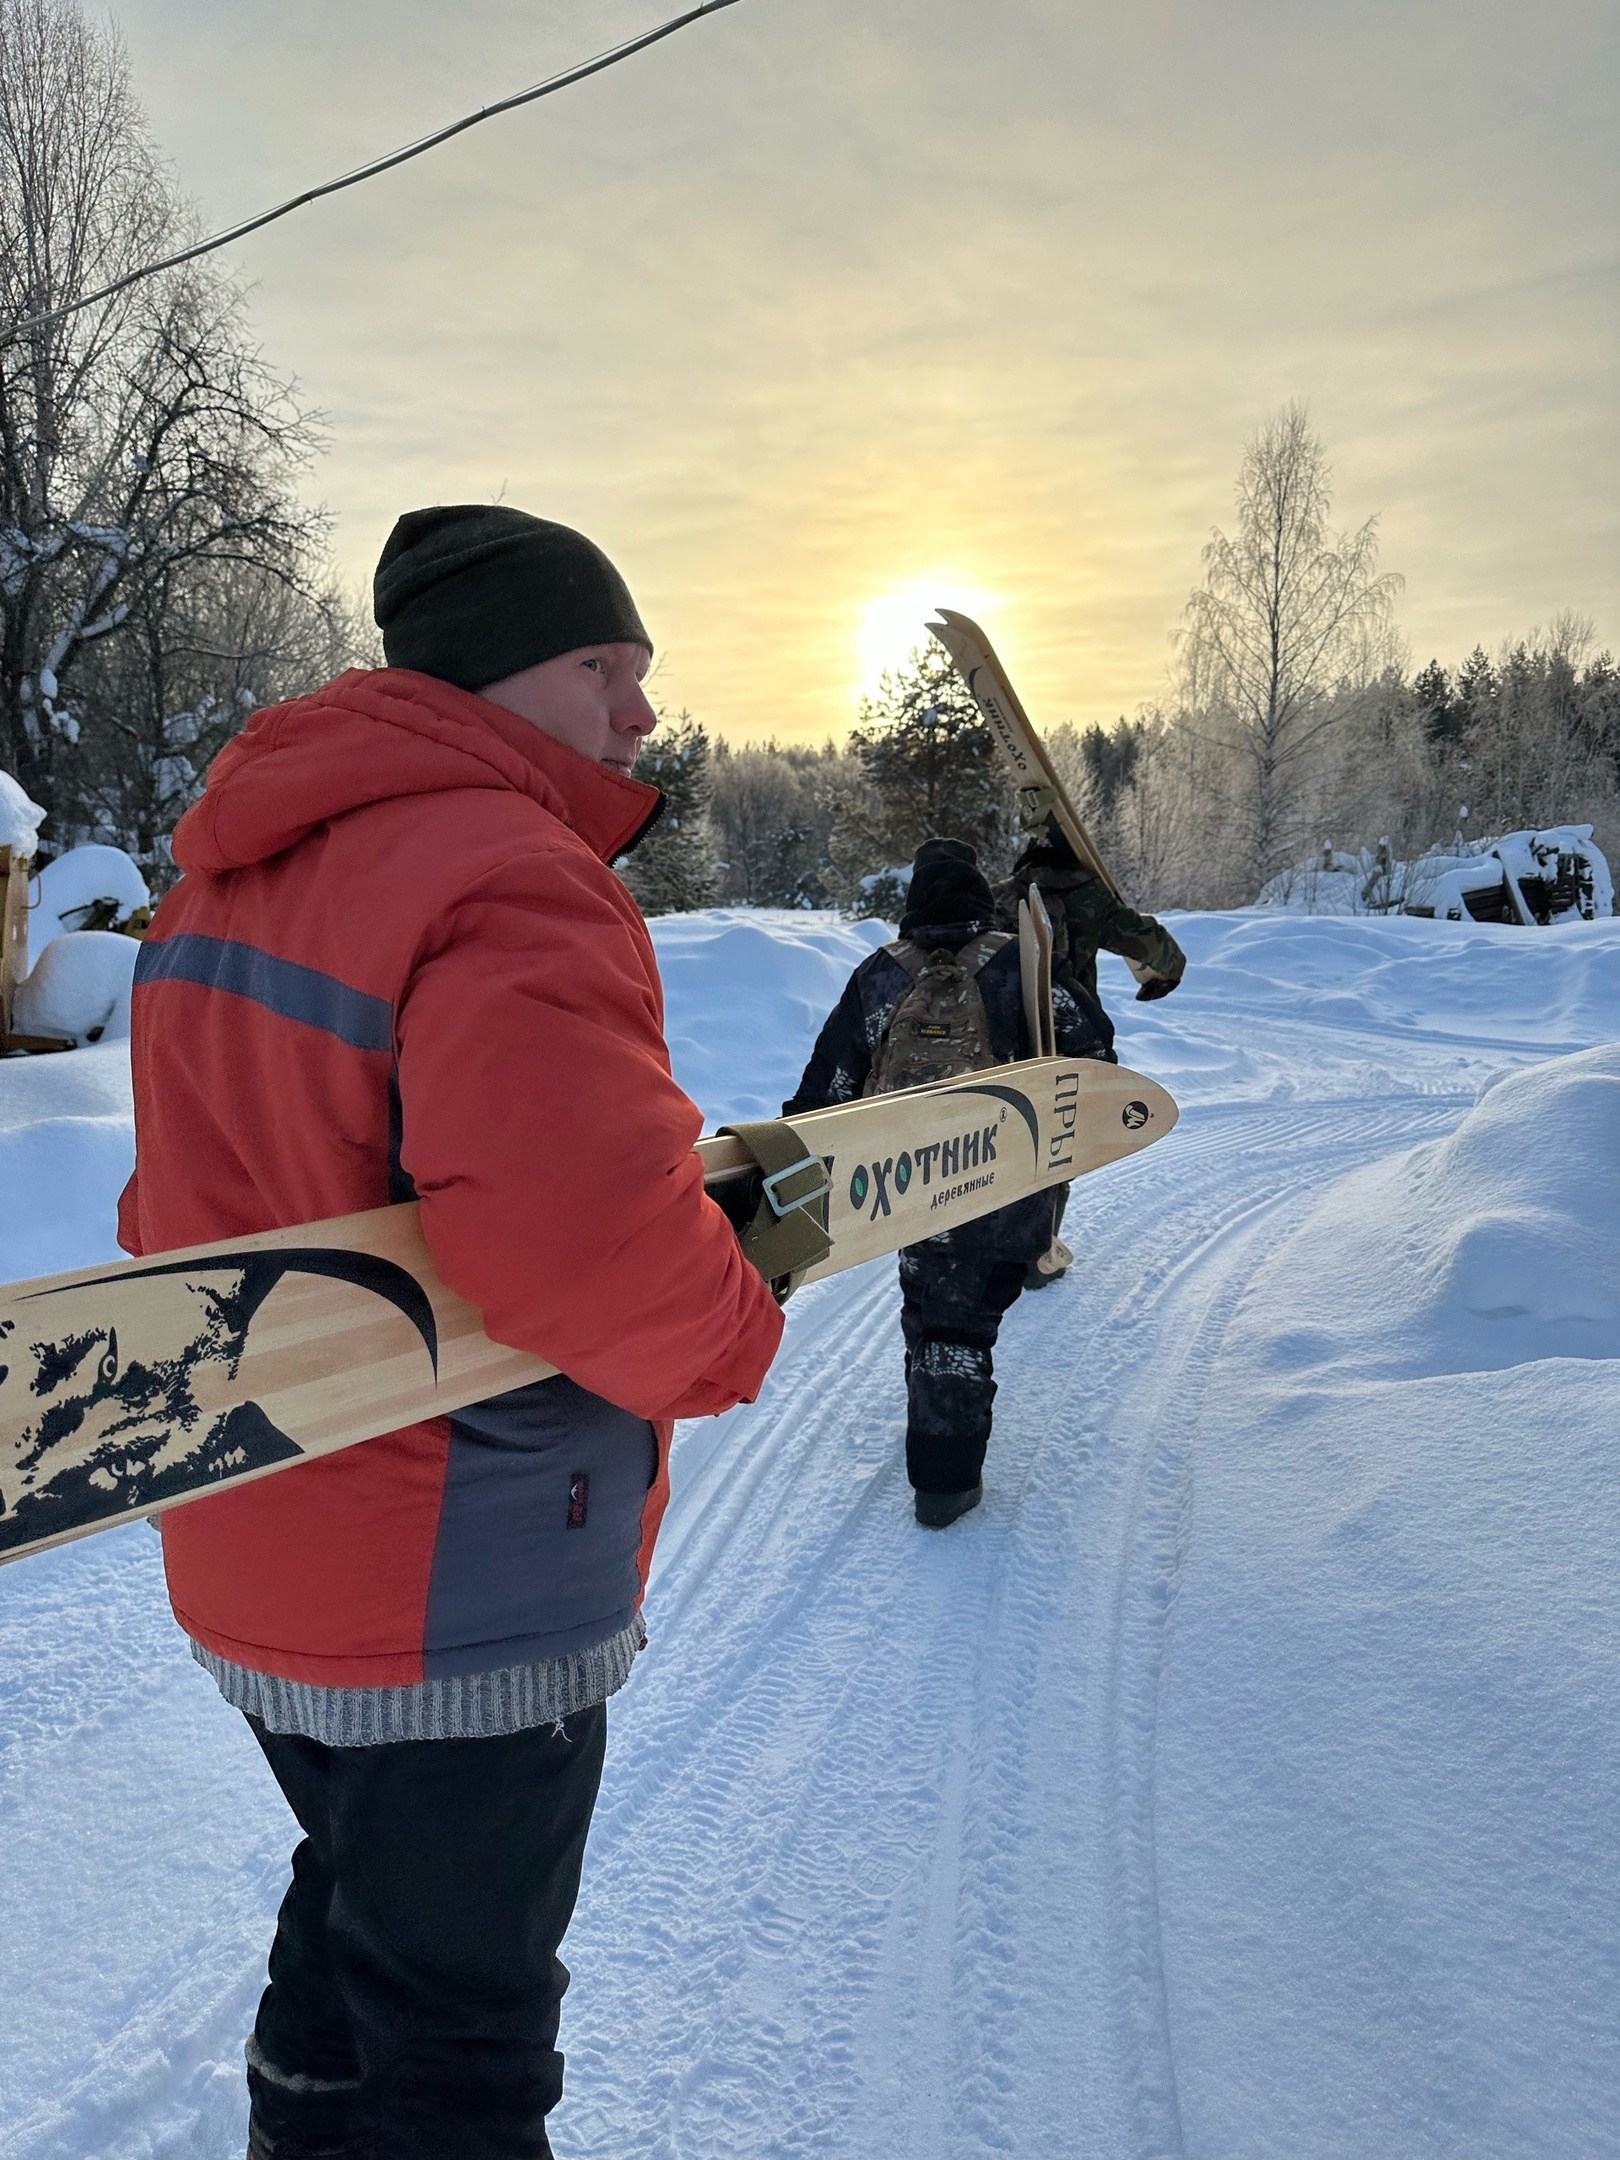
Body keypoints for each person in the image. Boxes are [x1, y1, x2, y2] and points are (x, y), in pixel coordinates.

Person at [117, 505, 787, 2159]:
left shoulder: (225, 875)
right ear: (494, 679)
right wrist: (737, 1328)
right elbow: (585, 1249)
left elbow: (172, 1217)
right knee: (465, 2044)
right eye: (601, 667)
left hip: (253, 1540)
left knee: (358, 1900)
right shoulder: (505, 873)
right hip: (460, 1582)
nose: (638, 713)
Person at [784, 838, 1113, 1528]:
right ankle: (945, 1472)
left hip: (910, 1185)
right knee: (967, 1321)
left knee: (934, 1312)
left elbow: (829, 1085)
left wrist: (800, 1168)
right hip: (1006, 1184)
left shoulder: (881, 975)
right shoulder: (1022, 966)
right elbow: (1095, 1065)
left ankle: (942, 1469)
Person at [995, 818, 1187, 1286]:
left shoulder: (1004, 893)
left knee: (1009, 1129)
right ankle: (1038, 1254)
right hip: (1070, 1033)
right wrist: (1165, 975)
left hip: (1006, 1032)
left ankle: (998, 1237)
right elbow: (1153, 946)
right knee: (1058, 1136)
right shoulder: (1090, 897)